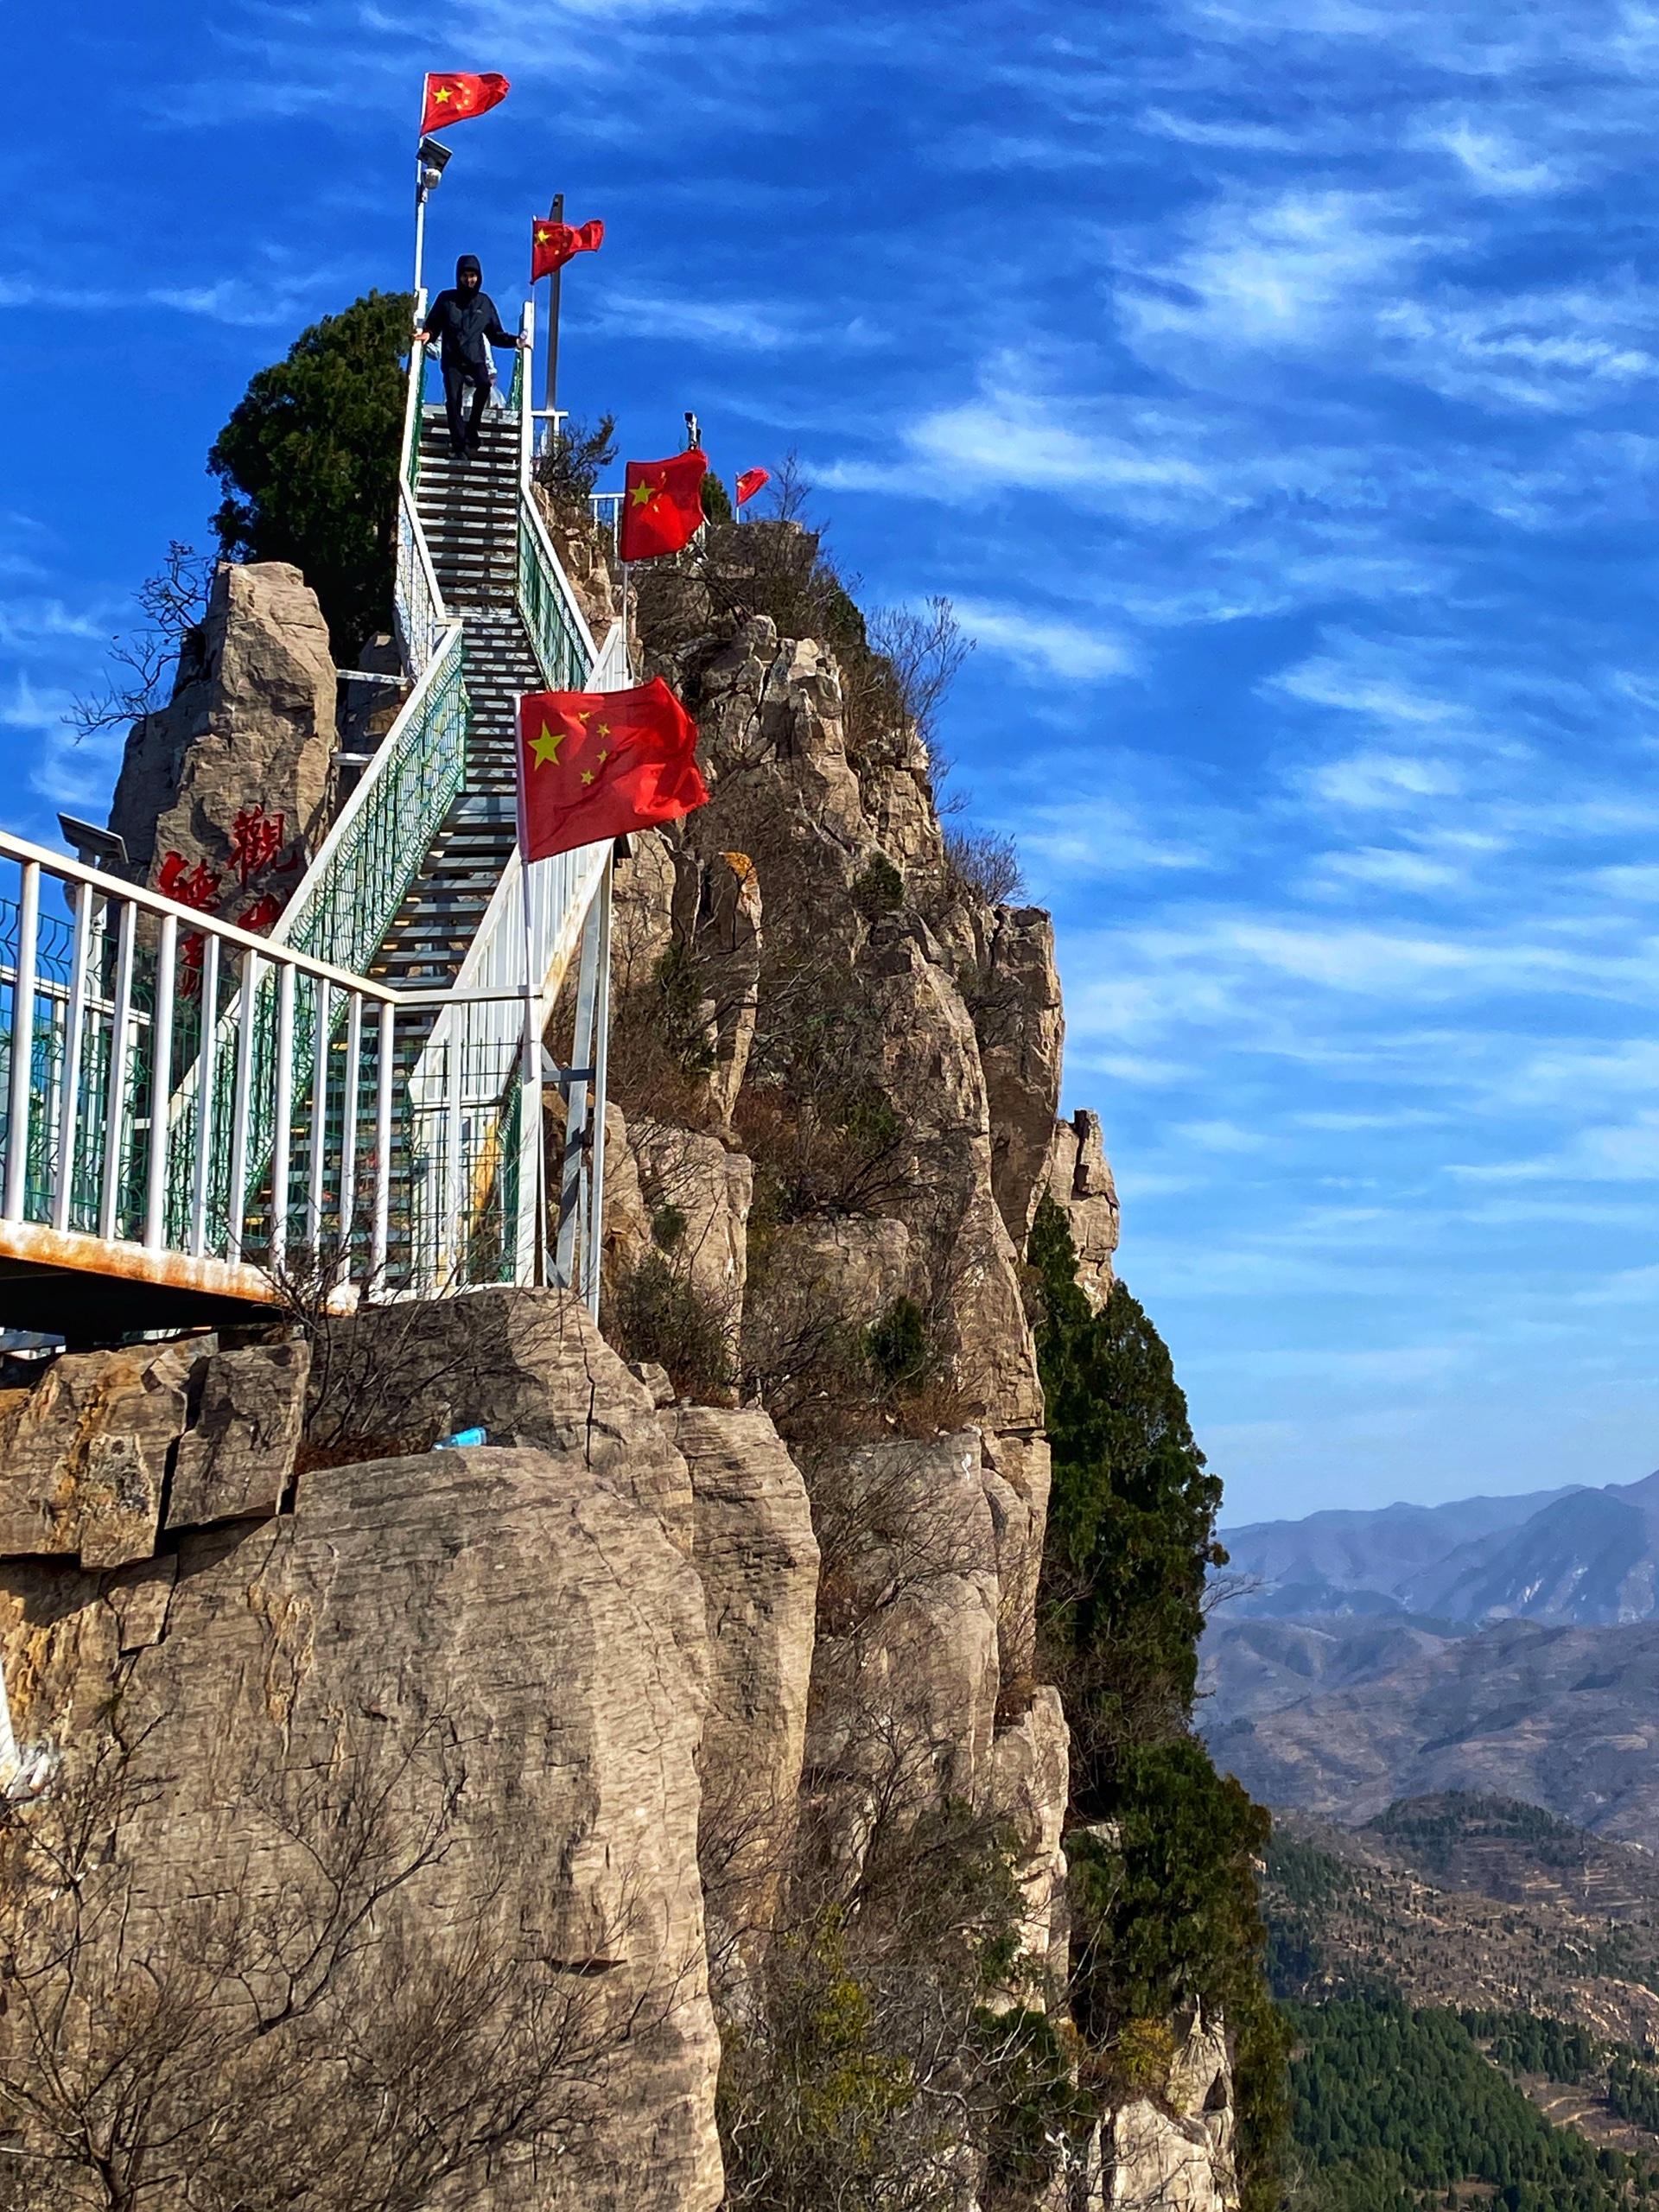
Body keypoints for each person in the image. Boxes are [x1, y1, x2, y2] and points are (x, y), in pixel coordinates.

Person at [419, 255, 523, 457]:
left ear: (479, 277)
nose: (469, 280)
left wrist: (516, 341)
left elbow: (495, 334)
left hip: (475, 359)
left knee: (484, 385)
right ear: (459, 277)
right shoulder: (446, 299)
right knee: (453, 401)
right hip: (452, 360)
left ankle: (472, 429)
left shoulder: (484, 303)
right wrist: (428, 334)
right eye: (465, 276)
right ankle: (458, 446)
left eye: (473, 276)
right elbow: (434, 324)